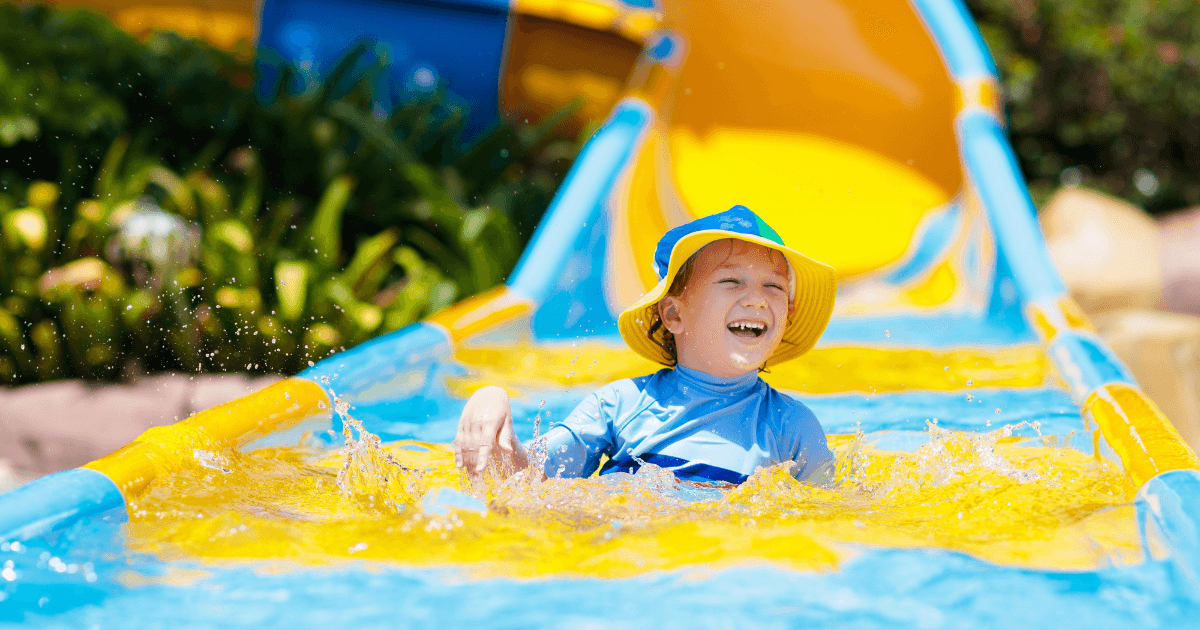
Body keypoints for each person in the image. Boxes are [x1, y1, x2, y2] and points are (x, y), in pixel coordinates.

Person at [453, 205, 838, 485]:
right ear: (673, 314)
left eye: (773, 287)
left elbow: (827, 515)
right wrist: (490, 401)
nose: (757, 299)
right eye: (732, 282)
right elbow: (526, 481)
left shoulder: (791, 427)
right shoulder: (620, 406)